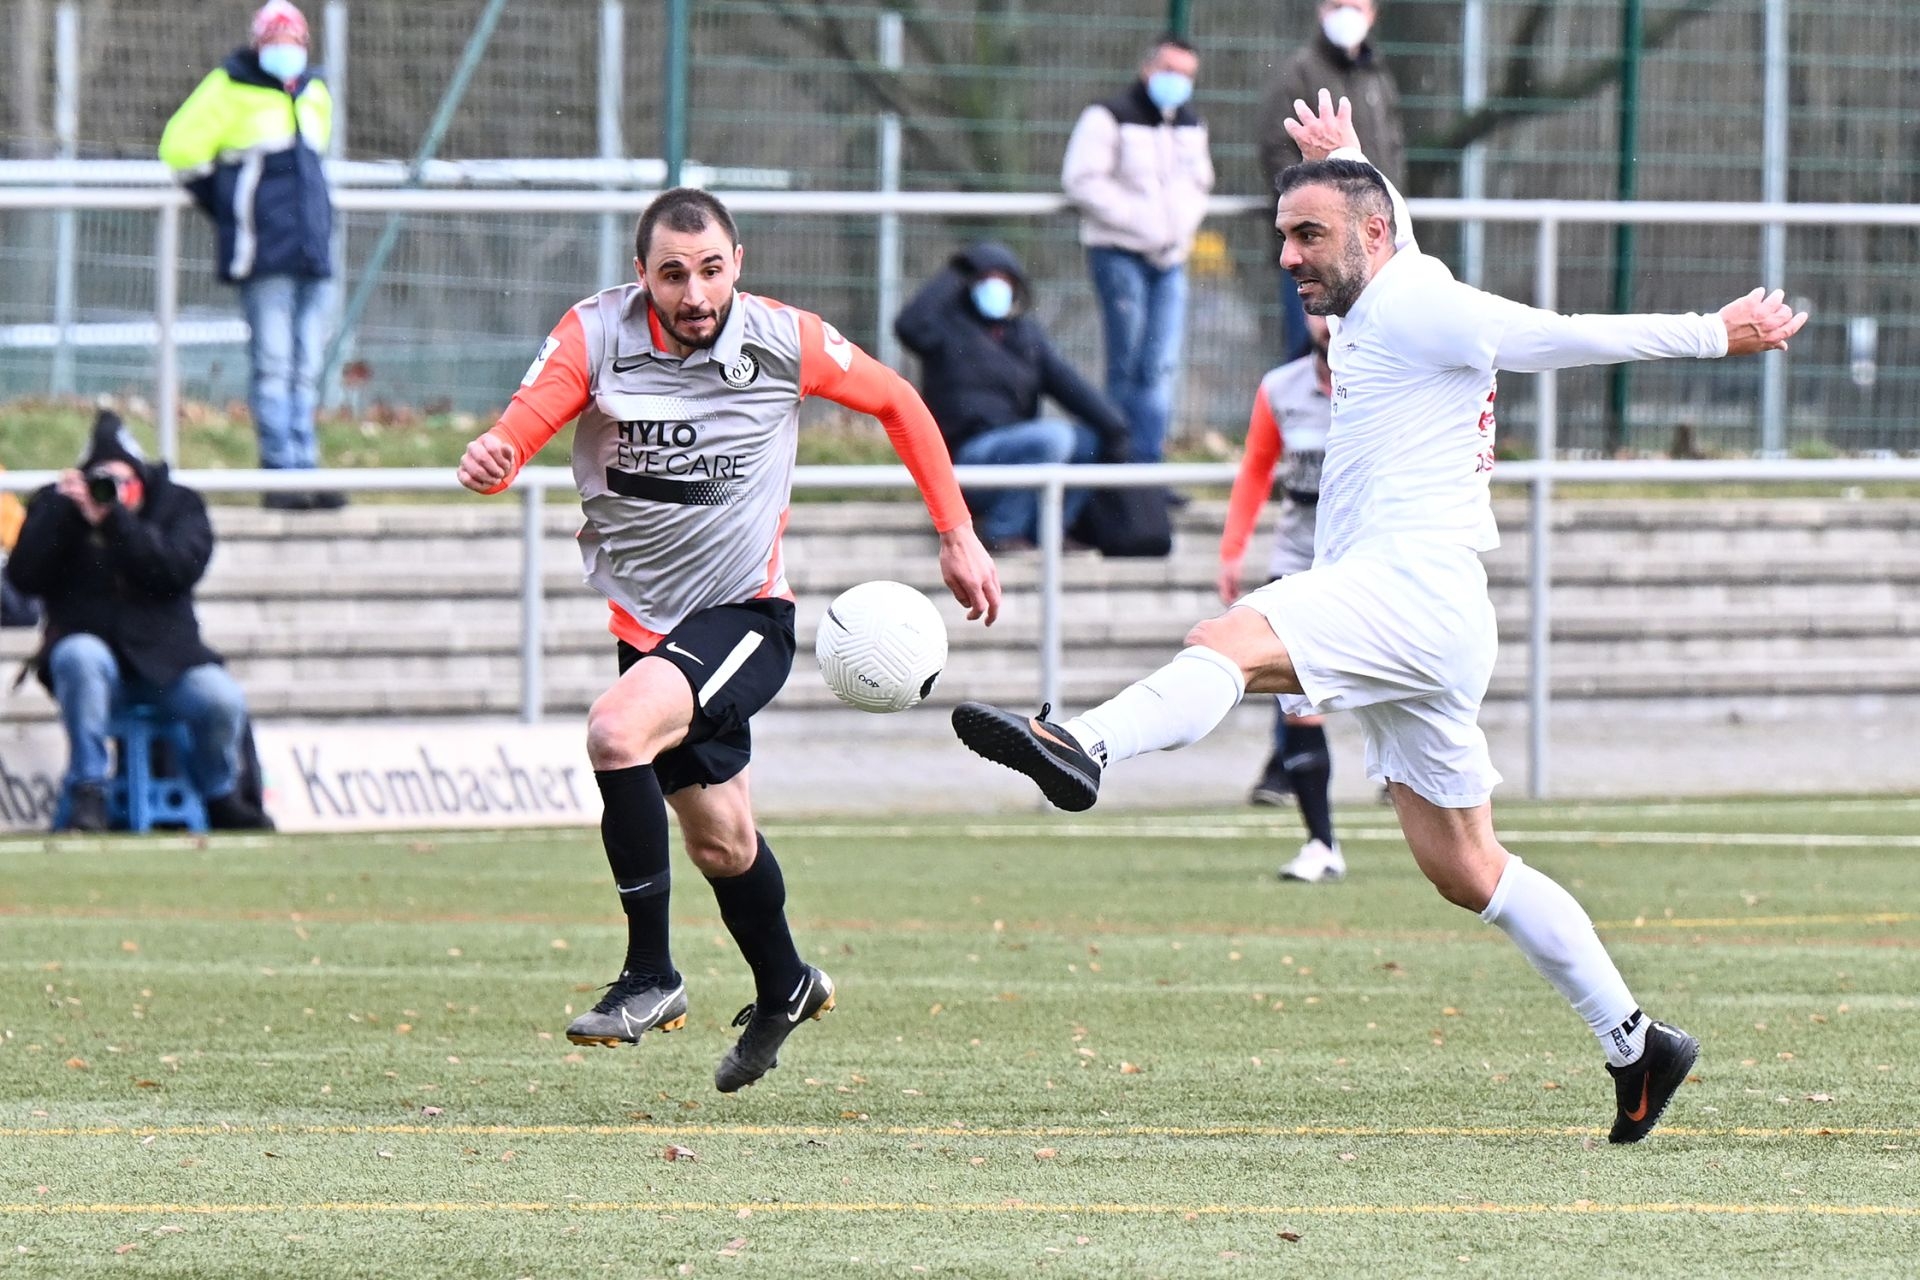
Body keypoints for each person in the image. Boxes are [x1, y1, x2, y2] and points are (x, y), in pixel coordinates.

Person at [952, 91, 1808, 1144]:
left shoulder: (1417, 305)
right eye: (1283, 236)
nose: (1288, 257)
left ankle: (1081, 744)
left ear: (1369, 234)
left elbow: (1558, 335)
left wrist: (1713, 334)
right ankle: (1638, 1044)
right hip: (1432, 611)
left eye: (1307, 236)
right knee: (1468, 868)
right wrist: (1351, 157)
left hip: (1406, 587)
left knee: (1226, 642)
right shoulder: (1390, 288)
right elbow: (1386, 223)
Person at [457, 188, 1000, 1093]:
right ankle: (787, 982)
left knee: (616, 732)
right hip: (650, 628)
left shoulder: (783, 339)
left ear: (737, 264)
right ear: (641, 275)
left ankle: (650, 976)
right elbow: (524, 424)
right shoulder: (595, 334)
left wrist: (957, 532)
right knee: (722, 844)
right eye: (673, 274)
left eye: (712, 270)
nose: (696, 293)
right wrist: (497, 455)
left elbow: (898, 401)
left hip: (746, 617)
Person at [3, 412, 274, 834]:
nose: (110, 491)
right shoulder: (60, 508)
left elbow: (175, 569)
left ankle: (220, 792)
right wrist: (61, 513)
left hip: (169, 662)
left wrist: (117, 523)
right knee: (79, 655)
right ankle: (88, 787)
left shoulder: (179, 506)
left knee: (221, 699)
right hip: (91, 655)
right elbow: (23, 576)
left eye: (121, 481)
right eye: (102, 480)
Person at [159, 0, 345, 512]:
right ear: (258, 44)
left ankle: (305, 467)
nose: (286, 50)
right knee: (274, 366)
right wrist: (229, 208)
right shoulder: (229, 85)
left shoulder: (314, 91)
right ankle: (281, 473)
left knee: (306, 368)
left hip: (312, 250)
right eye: (276, 40)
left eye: (293, 41)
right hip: (264, 252)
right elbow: (180, 150)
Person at [893, 241, 1132, 552]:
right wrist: (960, 269)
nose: (996, 288)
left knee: (1089, 441)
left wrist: (1116, 429)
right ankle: (1002, 531)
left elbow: (1070, 386)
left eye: (1004, 280)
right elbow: (908, 326)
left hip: (1021, 448)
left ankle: (1047, 533)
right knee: (1053, 438)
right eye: (986, 279)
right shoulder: (944, 331)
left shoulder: (1026, 338)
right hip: (968, 458)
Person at [1218, 313, 1342, 883]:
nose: (1327, 322)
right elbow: (1256, 469)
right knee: (1299, 701)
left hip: (1367, 567)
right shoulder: (1281, 388)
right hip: (1296, 566)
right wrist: (1232, 551)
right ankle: (1321, 843)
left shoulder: (1391, 381)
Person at [1062, 34, 1214, 463]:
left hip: (1171, 259)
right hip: (1118, 252)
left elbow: (1200, 184)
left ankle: (1147, 469)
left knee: (1159, 366)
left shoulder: (1191, 124)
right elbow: (1082, 181)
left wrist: (1177, 226)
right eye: (1169, 70)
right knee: (1125, 365)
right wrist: (1141, 222)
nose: (1177, 80)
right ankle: (1115, 464)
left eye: (1186, 74)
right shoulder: (1108, 117)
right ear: (1147, 68)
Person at [1258, 0, 1404, 366]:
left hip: (1372, 246)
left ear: (1372, 14)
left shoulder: (1378, 75)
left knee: (1373, 353)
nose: (1346, 14)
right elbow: (1276, 149)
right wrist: (1320, 209)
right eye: (1338, 5)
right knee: (1311, 351)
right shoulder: (1299, 72)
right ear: (1321, 10)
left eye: (1355, 6)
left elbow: (1393, 150)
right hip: (1315, 245)